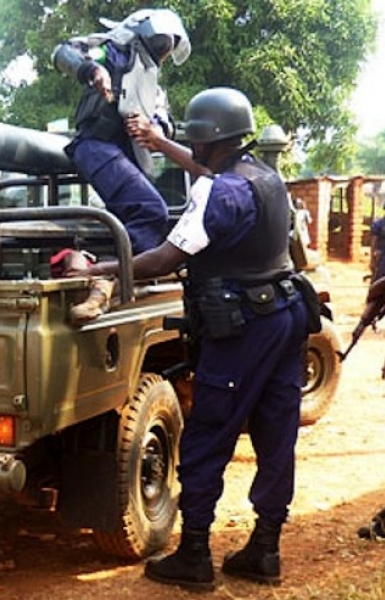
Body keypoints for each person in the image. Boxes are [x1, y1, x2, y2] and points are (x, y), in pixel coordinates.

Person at [67, 87, 311, 590]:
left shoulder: (215, 193)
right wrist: (158, 143)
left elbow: (162, 260)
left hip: (242, 327)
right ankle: (265, 550)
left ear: (205, 140)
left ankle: (195, 554)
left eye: (192, 140)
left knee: (208, 434)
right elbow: (212, 177)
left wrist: (100, 265)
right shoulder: (265, 178)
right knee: (276, 431)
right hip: (287, 316)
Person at [52, 8, 191, 254]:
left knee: (153, 217)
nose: (166, 52)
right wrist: (93, 71)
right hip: (96, 147)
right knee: (149, 211)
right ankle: (120, 278)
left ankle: (110, 268)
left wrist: (152, 129)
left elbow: (164, 121)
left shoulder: (153, 87)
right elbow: (65, 52)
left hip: (129, 159)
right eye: (165, 43)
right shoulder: (112, 52)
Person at [370, 201, 385, 281]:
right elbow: (373, 242)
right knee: (379, 280)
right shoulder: (379, 224)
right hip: (382, 257)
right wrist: (372, 260)